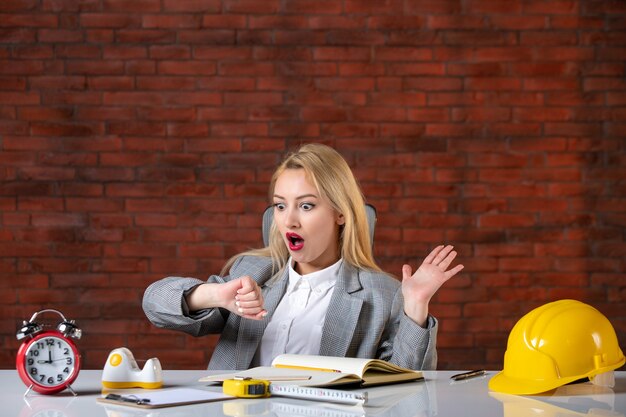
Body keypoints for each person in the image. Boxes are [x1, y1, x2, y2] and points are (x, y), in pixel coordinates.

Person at [142, 143, 464, 370]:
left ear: (340, 213)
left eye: (306, 205)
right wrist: (215, 295)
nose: (289, 220)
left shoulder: (382, 295)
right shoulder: (254, 273)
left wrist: (416, 307)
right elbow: (154, 304)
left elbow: (410, 390)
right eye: (280, 205)